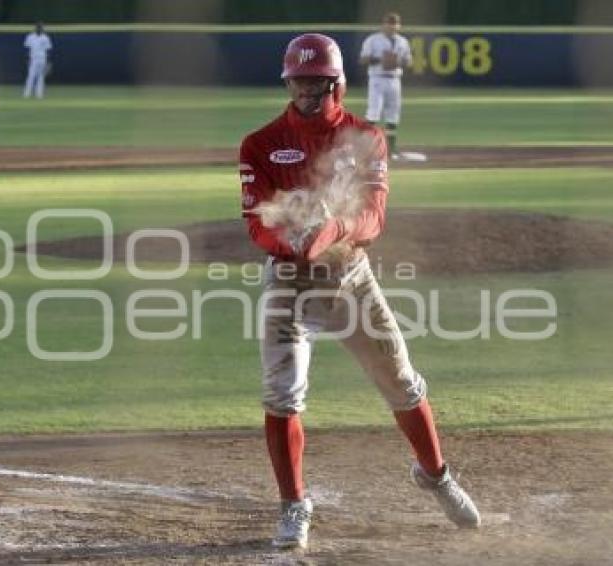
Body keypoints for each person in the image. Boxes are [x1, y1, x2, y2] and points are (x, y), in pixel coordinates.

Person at [239, 33, 480, 551]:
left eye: (316, 82)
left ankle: (435, 475)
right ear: (288, 82)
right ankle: (293, 505)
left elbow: (373, 217)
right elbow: (256, 224)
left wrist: (327, 230)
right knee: (282, 396)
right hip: (288, 281)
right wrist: (290, 238)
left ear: (336, 82)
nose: (306, 91)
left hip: (350, 275)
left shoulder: (365, 137)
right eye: (298, 82)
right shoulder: (258, 144)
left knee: (401, 381)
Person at [359, 12, 413, 159]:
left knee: (393, 114)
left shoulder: (403, 41)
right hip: (377, 79)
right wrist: (380, 60)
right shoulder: (373, 40)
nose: (392, 26)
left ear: (399, 25)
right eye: (389, 23)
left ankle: (390, 150)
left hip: (395, 79)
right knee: (373, 112)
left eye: (395, 23)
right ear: (383, 24)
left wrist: (398, 62)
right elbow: (363, 59)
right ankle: (365, 149)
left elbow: (409, 61)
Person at [23, 22, 52, 99]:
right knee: (31, 76)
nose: (39, 29)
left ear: (42, 29)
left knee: (40, 77)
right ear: (35, 28)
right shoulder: (30, 37)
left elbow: (48, 50)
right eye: (38, 27)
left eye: (41, 27)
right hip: (33, 59)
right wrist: (27, 59)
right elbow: (27, 48)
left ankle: (39, 94)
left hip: (42, 59)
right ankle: (27, 94)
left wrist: (48, 62)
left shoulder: (45, 37)